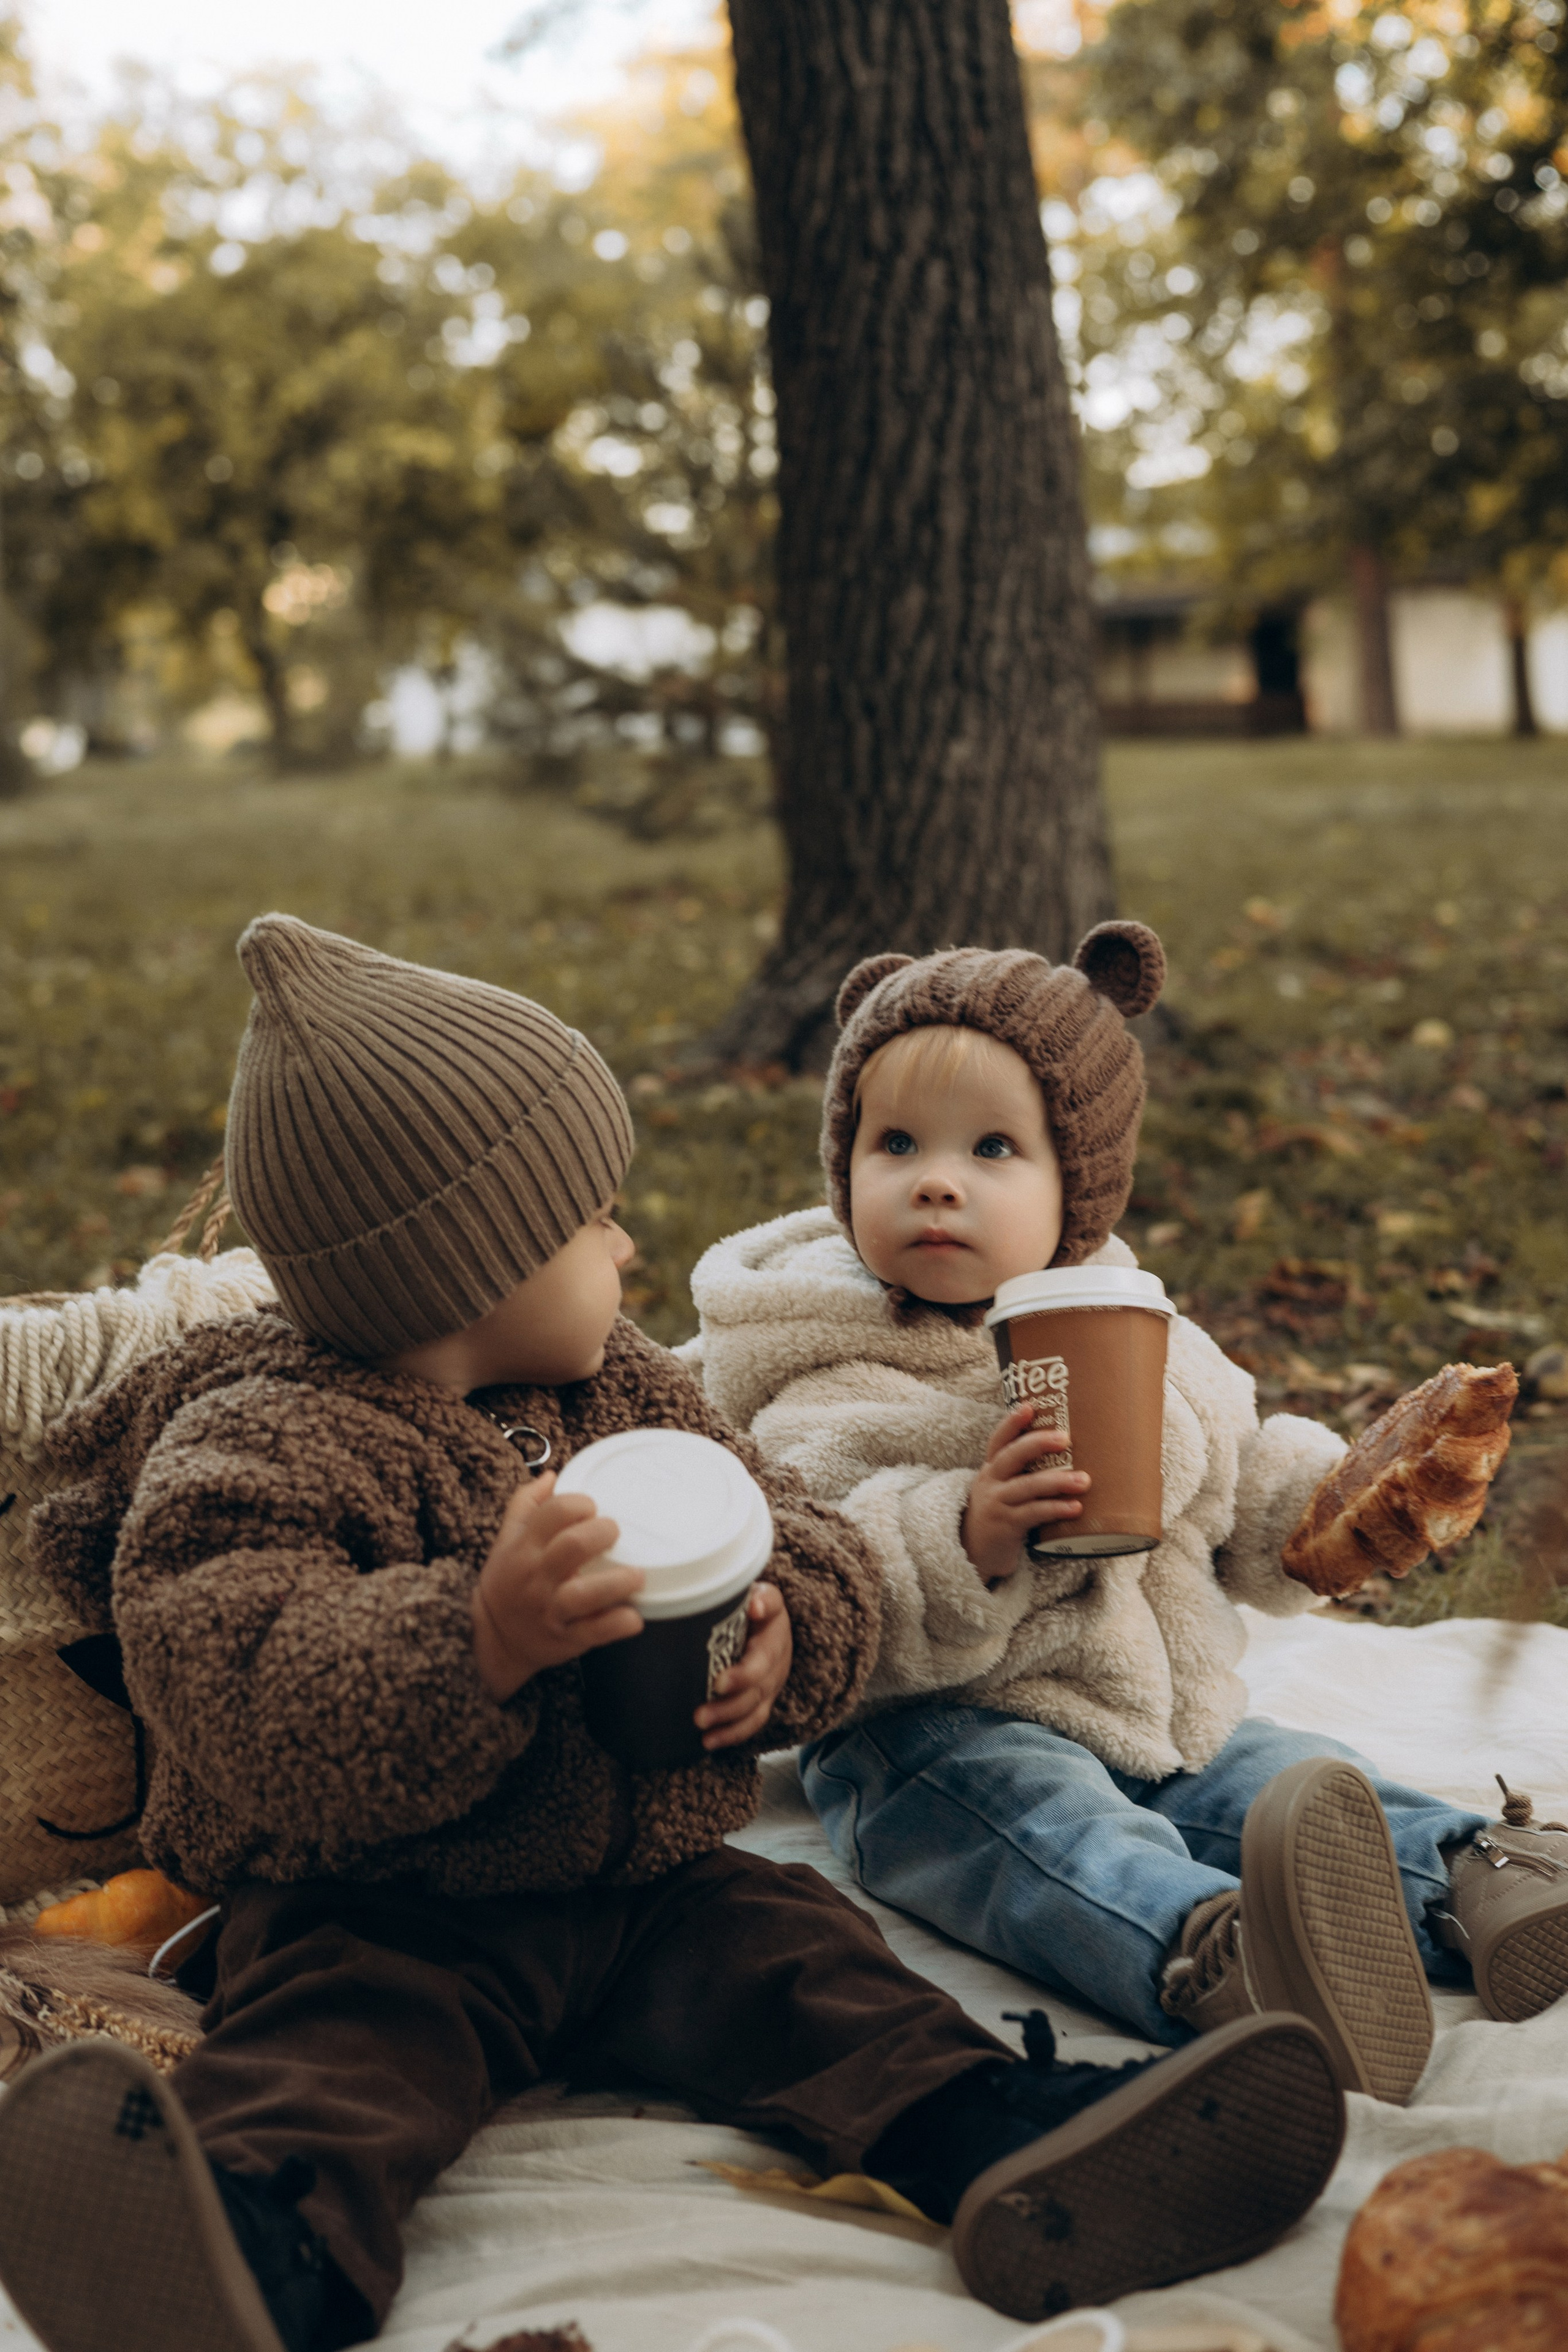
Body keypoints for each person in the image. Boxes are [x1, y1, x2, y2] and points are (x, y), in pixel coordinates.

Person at [0, 916, 1347, 2352]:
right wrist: (478, 1639)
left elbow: (791, 1524)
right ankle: (248, 2252)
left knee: (811, 1969)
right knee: (338, 2060)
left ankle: (1008, 2141)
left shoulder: (622, 1387)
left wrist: (787, 1633)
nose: (624, 1242)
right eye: (591, 1219)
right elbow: (237, 1676)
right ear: (467, 1263)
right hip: (382, 1899)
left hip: (646, 1877)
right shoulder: (256, 1440)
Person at [684, 928, 1568, 2088]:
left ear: (1079, 1188)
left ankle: (1478, 1877)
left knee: (1280, 1780)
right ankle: (1217, 1954)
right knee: (1033, 1829)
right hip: (931, 1719)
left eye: (993, 1147)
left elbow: (1229, 1472)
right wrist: (967, 1531)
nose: (935, 1179)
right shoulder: (824, 1361)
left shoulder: (1124, 1326)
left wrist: (1326, 1516)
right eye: (894, 1142)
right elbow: (823, 1545)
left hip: (1146, 1695)